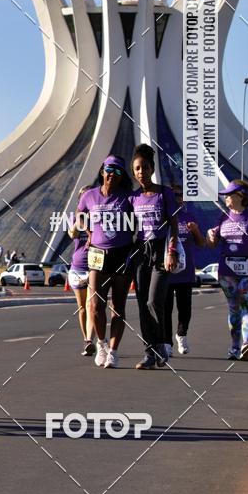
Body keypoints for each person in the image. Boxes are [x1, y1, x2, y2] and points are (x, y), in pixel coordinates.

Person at [77, 157, 136, 369]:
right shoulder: (89, 195)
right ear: (102, 171)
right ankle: (100, 344)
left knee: (118, 306)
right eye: (109, 169)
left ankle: (113, 351)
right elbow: (79, 214)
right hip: (97, 255)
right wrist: (89, 233)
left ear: (122, 177)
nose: (112, 174)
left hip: (121, 254)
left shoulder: (128, 197)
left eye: (118, 171)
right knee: (94, 304)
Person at [206, 180, 248, 360]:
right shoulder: (223, 216)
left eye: (229, 194)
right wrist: (210, 235)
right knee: (234, 308)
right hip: (227, 270)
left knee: (247, 306)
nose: (226, 197)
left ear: (240, 196)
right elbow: (211, 244)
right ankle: (234, 347)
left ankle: (246, 344)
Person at [130, 143, 179, 369]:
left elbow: (173, 224)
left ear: (152, 168)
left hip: (160, 250)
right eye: (137, 168)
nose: (141, 172)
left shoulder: (164, 193)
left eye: (145, 167)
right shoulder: (133, 198)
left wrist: (171, 251)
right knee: (142, 304)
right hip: (141, 252)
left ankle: (160, 344)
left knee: (153, 301)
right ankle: (150, 352)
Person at [164, 186, 205, 356]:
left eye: (180, 195)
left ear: (184, 199)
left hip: (185, 272)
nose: (177, 198)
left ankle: (181, 334)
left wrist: (195, 230)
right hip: (166, 271)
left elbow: (202, 244)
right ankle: (167, 343)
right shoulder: (163, 217)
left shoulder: (189, 217)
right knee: (165, 309)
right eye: (173, 195)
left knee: (185, 308)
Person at [67, 185, 96, 357]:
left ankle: (91, 340)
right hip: (77, 267)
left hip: (94, 267)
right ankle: (87, 339)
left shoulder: (99, 217)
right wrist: (81, 217)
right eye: (84, 198)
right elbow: (73, 234)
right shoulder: (74, 218)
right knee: (82, 308)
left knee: (92, 305)